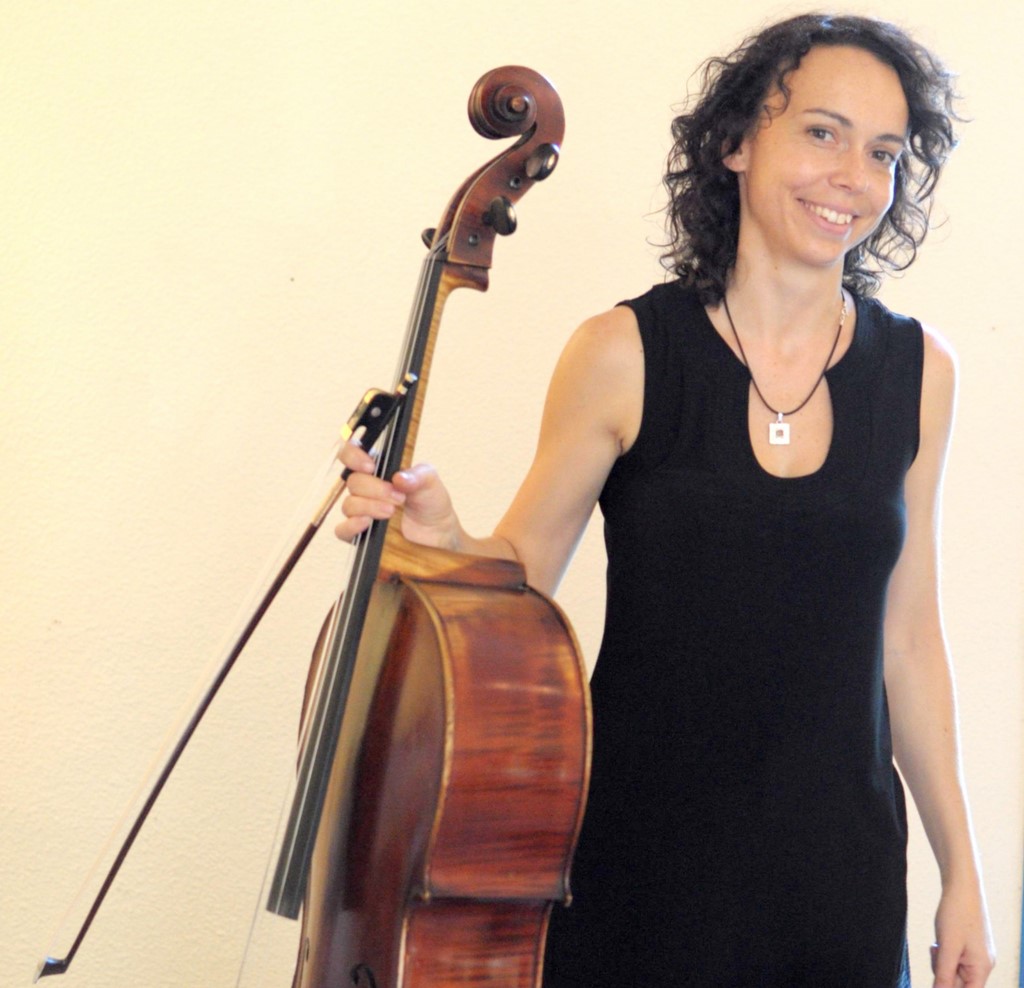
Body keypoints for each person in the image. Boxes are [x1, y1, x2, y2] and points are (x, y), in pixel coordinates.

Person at [336, 13, 994, 987]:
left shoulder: (919, 373)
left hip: (837, 885)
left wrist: (962, 871)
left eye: (883, 152)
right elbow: (521, 574)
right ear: (735, 143)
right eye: (821, 132)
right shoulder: (621, 354)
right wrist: (440, 535)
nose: (852, 176)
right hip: (638, 872)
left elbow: (909, 638)